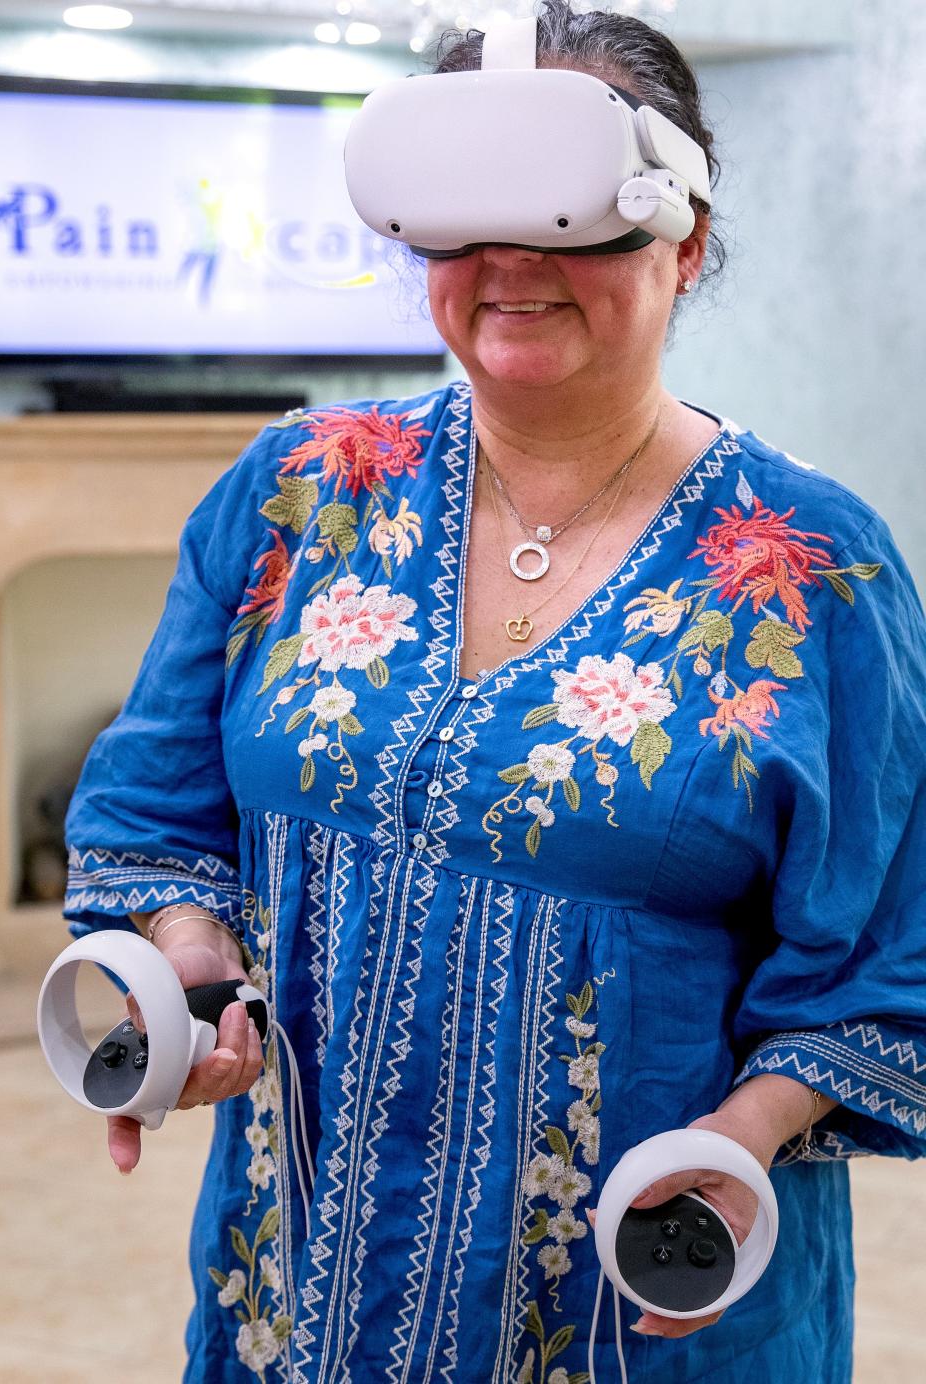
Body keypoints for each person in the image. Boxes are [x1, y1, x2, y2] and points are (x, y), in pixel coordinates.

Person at [63, 3, 926, 1380]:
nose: (513, 265)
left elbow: (886, 960)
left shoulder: (816, 572)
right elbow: (163, 810)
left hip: (642, 1318)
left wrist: (746, 1141)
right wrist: (185, 963)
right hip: (305, 1297)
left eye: (574, 221)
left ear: (685, 241)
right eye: (466, 223)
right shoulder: (296, 494)